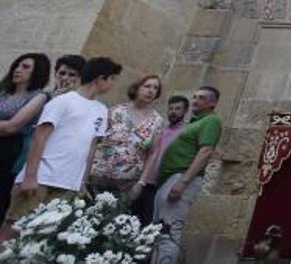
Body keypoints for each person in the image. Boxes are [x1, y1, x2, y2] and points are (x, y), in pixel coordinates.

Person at [5, 57, 120, 232]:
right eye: (112, 79)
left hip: (68, 185)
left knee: (43, 238)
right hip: (40, 179)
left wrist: (82, 181)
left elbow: (91, 147)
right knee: (14, 229)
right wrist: (30, 176)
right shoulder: (63, 101)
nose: (113, 84)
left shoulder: (102, 111)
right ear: (100, 79)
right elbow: (40, 137)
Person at [151, 86, 222, 262]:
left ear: (212, 103)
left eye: (201, 98)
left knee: (169, 229)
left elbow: (205, 151)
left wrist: (183, 182)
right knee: (158, 230)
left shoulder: (211, 121)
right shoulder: (196, 122)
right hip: (170, 178)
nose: (195, 100)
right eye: (195, 96)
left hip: (181, 178)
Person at [88, 74, 166, 196]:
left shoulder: (157, 121)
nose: (151, 91)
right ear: (136, 88)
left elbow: (152, 154)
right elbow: (95, 140)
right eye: (147, 86)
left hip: (126, 184)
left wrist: (141, 182)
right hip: (97, 176)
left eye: (155, 88)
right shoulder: (115, 111)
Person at [0, 54, 50, 220]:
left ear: (37, 72)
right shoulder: (3, 92)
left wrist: (7, 127)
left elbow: (13, 126)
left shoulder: (38, 96)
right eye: (17, 65)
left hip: (9, 150)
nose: (18, 70)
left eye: (25, 67)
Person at [132, 95, 188, 225]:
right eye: (171, 108)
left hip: (162, 184)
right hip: (144, 181)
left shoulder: (186, 132)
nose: (173, 112)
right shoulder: (160, 129)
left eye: (178, 109)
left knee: (150, 221)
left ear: (185, 111)